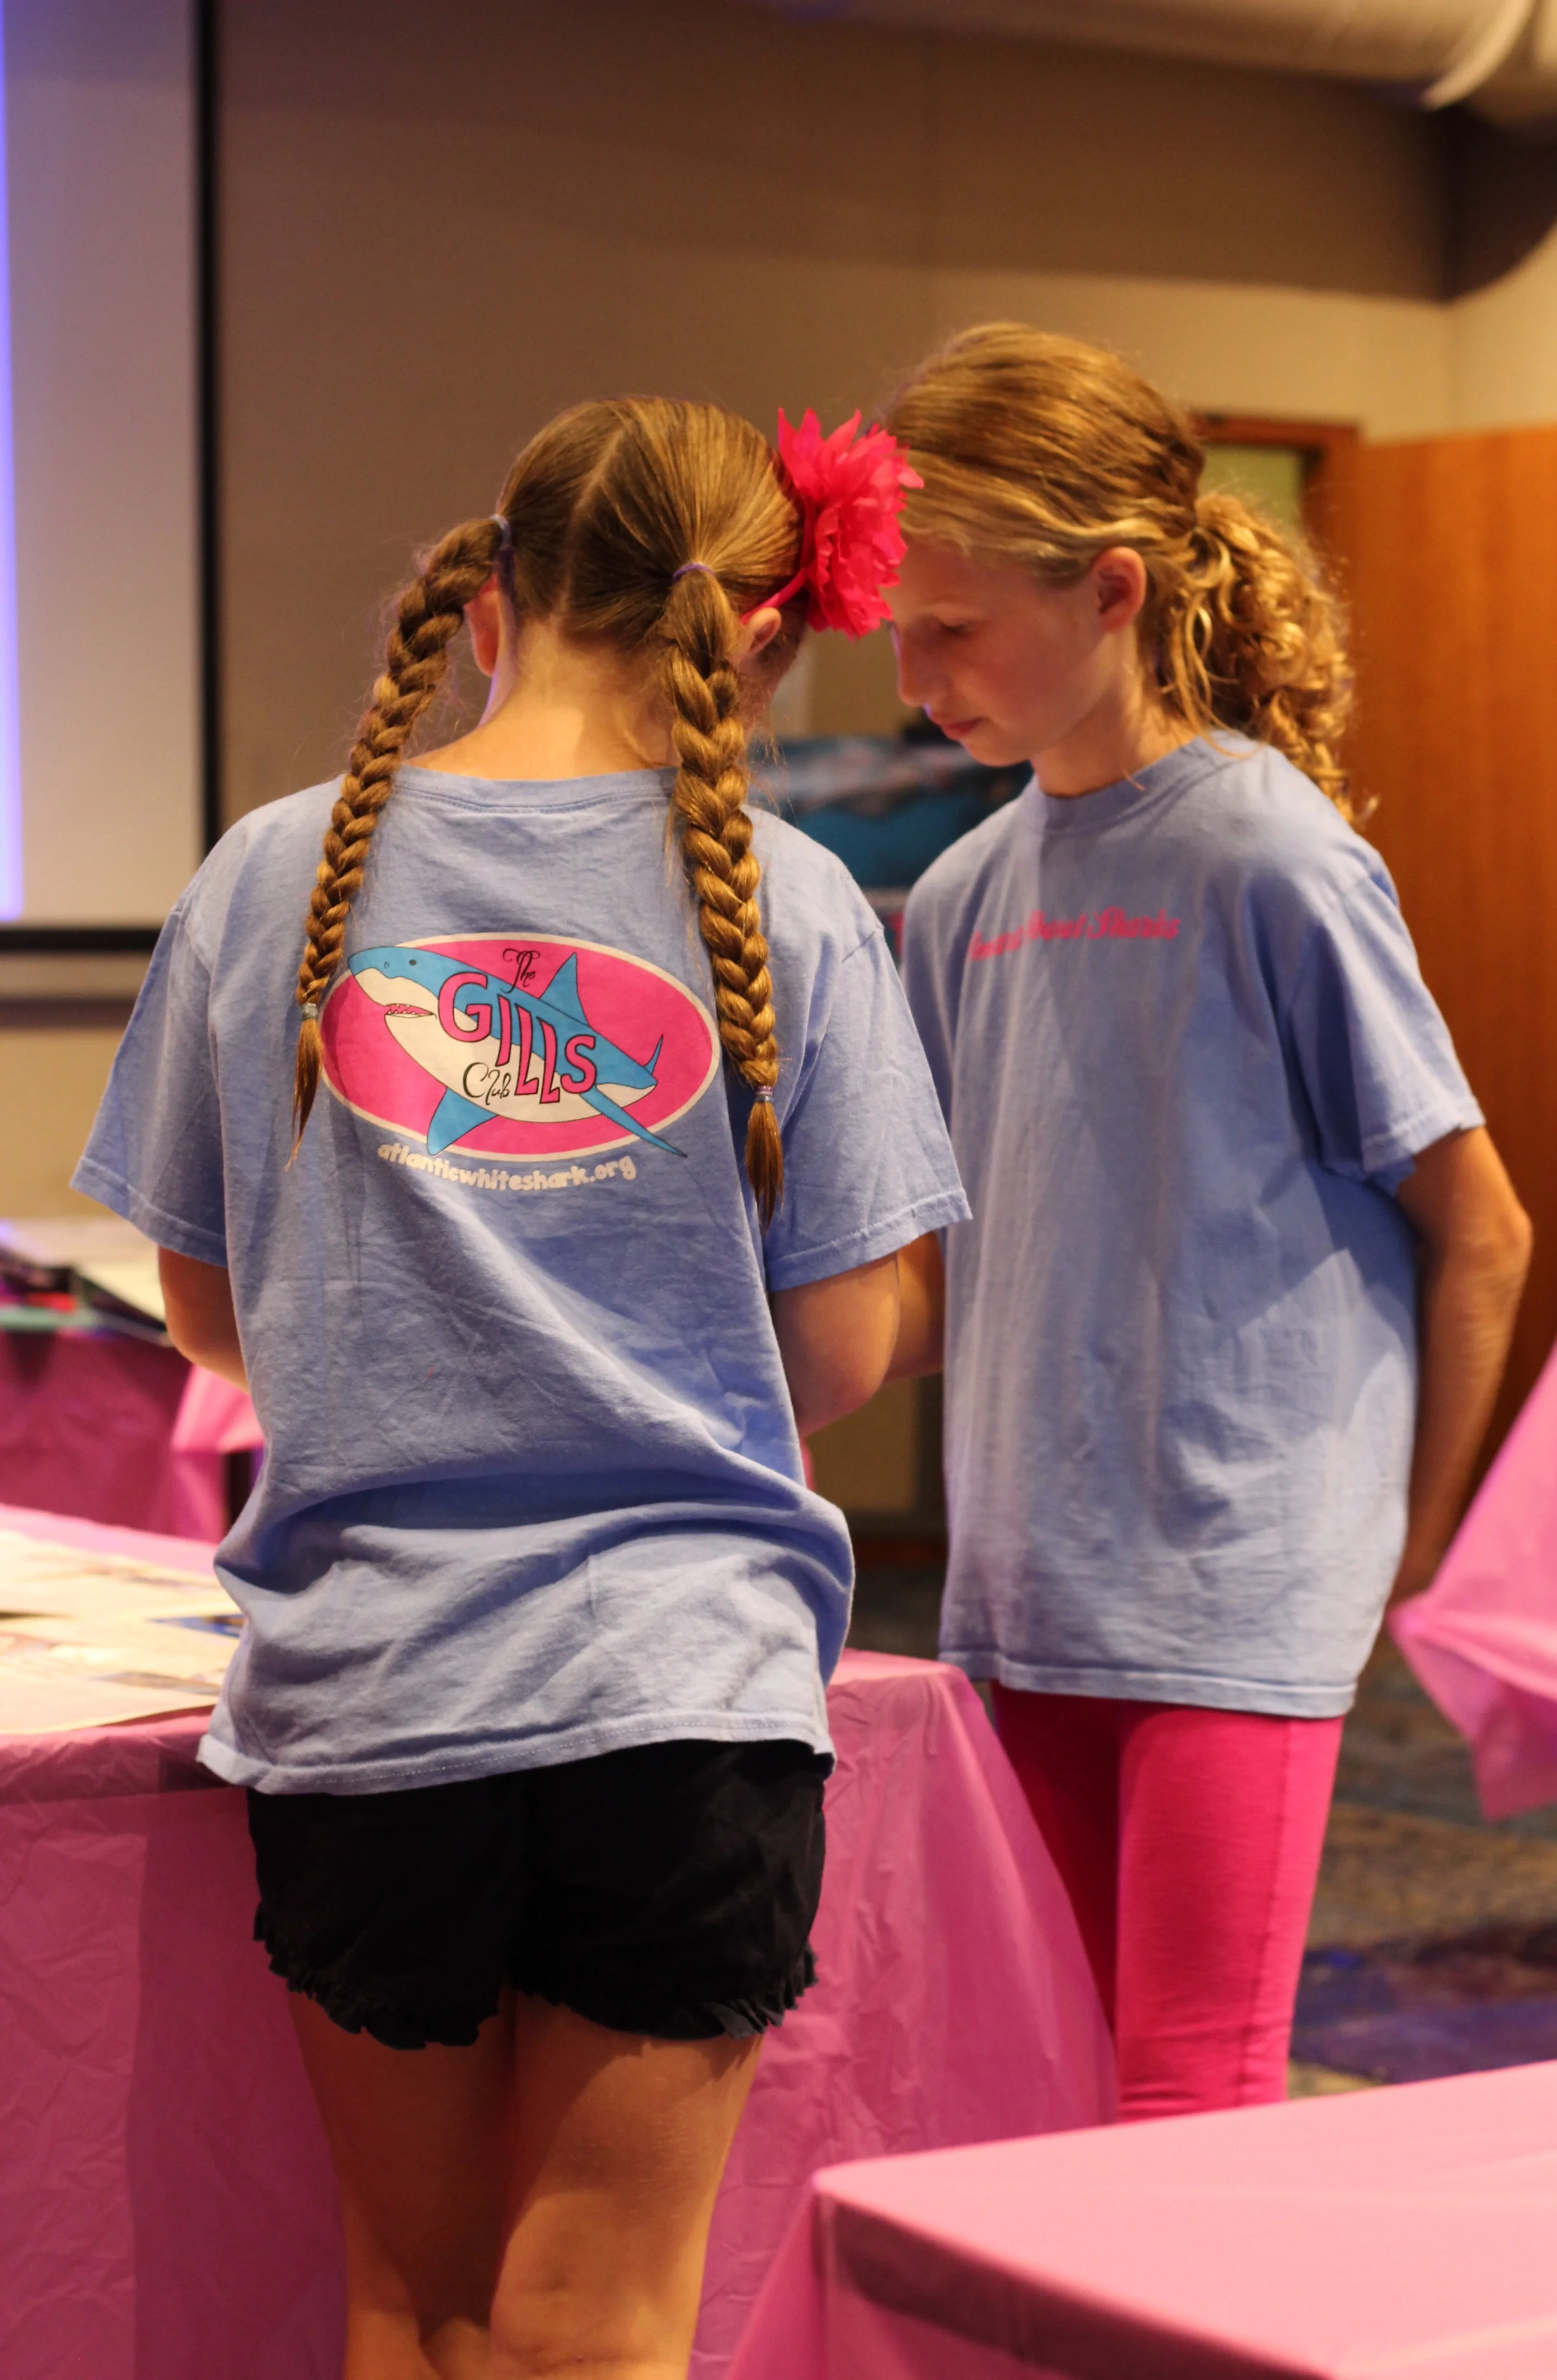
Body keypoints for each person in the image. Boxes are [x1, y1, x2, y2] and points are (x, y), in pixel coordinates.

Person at [75, 395, 965, 2379]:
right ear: (754, 632)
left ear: (486, 601)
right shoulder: (802, 902)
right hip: (681, 1694)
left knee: (416, 2302)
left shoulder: (266, 875)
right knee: (603, 2326)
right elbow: (832, 1351)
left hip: (373, 1688)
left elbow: (209, 1311)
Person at [882, 324, 1532, 2120]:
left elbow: (1475, 1226)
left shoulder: (1268, 853)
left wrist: (1396, 1549)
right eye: (898, 631)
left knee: (1187, 2093)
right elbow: (946, 1268)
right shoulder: (953, 897)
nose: (915, 672)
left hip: (1234, 1587)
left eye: (953, 629)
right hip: (1018, 1589)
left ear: (1110, 589)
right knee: (1034, 2082)